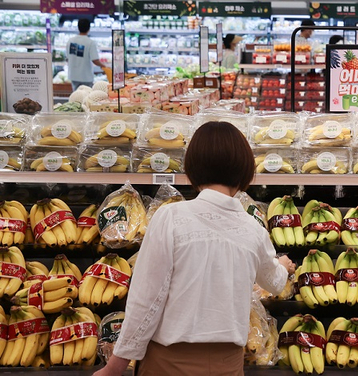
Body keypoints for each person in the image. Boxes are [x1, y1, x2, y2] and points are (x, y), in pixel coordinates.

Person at [92, 121, 295, 376]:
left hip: (168, 363)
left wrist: (115, 366)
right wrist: (284, 266)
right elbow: (275, 283)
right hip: (228, 365)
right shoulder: (253, 229)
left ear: (192, 168)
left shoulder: (170, 217)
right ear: (245, 170)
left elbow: (147, 299)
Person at [66, 18, 105, 91]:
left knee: (75, 97)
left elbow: (67, 58)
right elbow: (95, 60)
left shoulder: (70, 41)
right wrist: (104, 67)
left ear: (78, 28)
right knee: (86, 97)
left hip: (73, 75)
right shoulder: (90, 42)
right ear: (89, 28)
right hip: (86, 76)